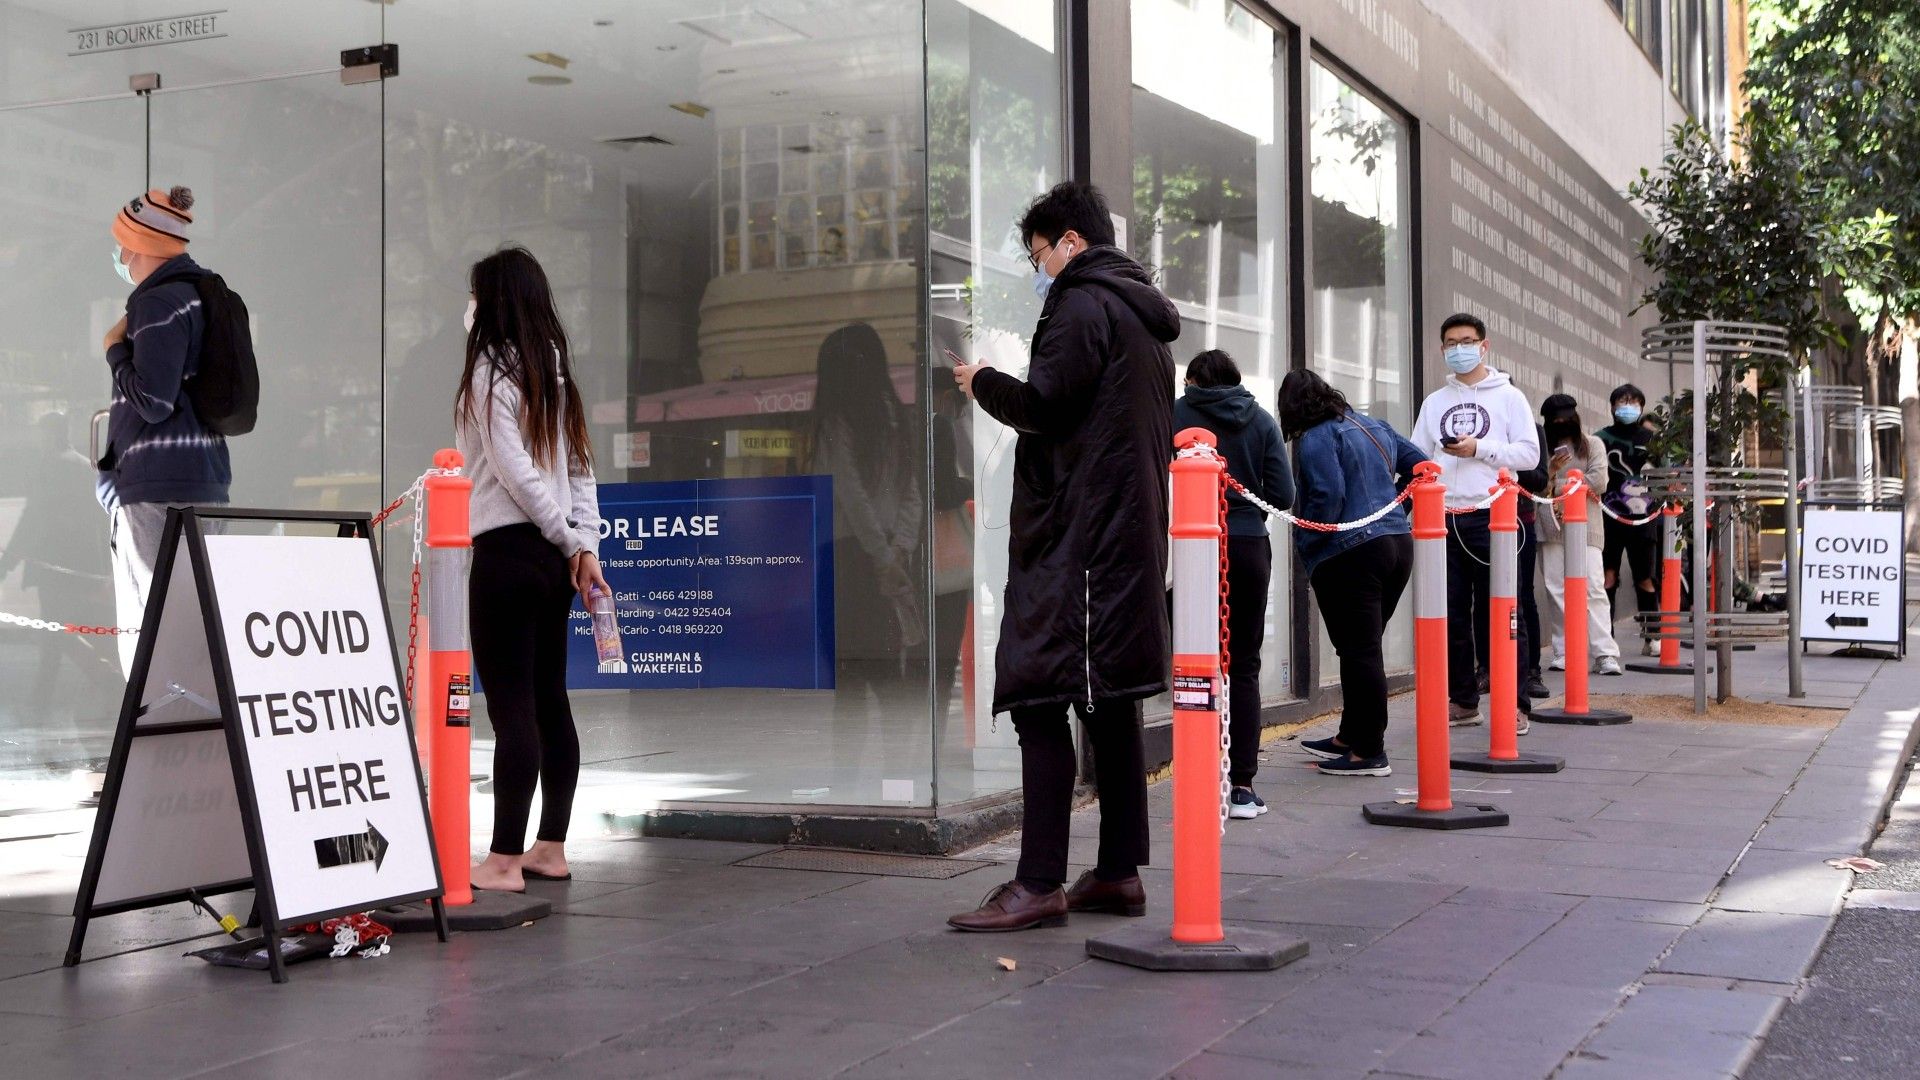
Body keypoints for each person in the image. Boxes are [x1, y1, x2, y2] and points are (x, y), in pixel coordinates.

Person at [947, 181, 1176, 931]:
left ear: (1071, 242)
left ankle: (1039, 880)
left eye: (1039, 253)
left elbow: (1046, 406)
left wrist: (982, 381)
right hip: (1121, 537)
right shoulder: (1140, 315)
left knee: (1039, 693)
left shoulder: (1082, 303)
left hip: (1076, 539)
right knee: (1110, 704)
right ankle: (1117, 872)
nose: (1037, 267)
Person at [456, 246, 605, 893]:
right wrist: (581, 545)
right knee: (550, 702)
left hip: (508, 553)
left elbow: (512, 470)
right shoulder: (554, 373)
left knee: (512, 710)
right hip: (552, 562)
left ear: (492, 302)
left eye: (474, 295)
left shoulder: (490, 371)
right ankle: (551, 848)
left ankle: (502, 860)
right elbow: (580, 469)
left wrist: (567, 537)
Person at [96, 186, 231, 672]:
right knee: (197, 629)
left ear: (139, 246)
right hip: (202, 478)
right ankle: (200, 738)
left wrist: (113, 349)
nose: (120, 256)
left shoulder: (158, 305)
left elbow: (152, 402)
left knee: (150, 633)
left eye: (122, 245)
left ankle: (151, 744)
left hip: (157, 485)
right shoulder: (198, 295)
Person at [1284, 371, 1425, 776]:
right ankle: (1349, 735)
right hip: (1397, 545)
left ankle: (1369, 752)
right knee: (1361, 649)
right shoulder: (1374, 424)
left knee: (1361, 652)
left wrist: (1308, 540)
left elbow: (1328, 496)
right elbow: (1422, 467)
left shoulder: (1314, 436)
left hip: (1350, 553)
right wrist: (1394, 511)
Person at [1173, 350, 1293, 816]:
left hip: (1189, 548)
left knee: (1189, 661)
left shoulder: (1178, 413)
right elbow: (1283, 495)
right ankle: (1241, 784)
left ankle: (1197, 775)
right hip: (1245, 545)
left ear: (1196, 379)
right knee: (1242, 665)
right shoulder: (1261, 420)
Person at [1411, 314, 1539, 727]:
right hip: (1445, 519)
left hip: (1495, 518)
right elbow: (1418, 457)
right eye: (1451, 343)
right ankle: (1463, 700)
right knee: (1449, 614)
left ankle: (1513, 702)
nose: (1459, 349)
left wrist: (1480, 449)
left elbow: (1529, 455)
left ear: (1484, 346)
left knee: (1501, 615)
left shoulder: (1509, 397)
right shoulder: (1435, 402)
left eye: (1467, 341)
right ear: (1443, 349)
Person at [809, 322, 925, 772]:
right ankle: (899, 773)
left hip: (848, 555)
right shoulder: (892, 414)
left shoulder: (836, 420)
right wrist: (899, 549)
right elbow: (910, 489)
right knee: (883, 669)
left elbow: (850, 496)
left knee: (854, 676)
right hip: (886, 555)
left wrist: (882, 554)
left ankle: (854, 776)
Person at [1537, 394, 1622, 675]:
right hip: (1551, 528)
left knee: (1593, 588)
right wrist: (1555, 477)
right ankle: (1564, 651)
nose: (1562, 423)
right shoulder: (1541, 448)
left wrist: (1556, 484)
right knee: (1555, 589)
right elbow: (1536, 487)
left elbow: (1599, 481)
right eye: (1556, 419)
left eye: (1566, 417)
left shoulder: (1593, 444)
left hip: (1587, 528)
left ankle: (1604, 653)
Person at [1597, 383, 1659, 653]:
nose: (1628, 406)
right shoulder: (1600, 438)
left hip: (1644, 518)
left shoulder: (1653, 440)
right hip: (1609, 516)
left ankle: (1652, 636)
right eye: (1623, 401)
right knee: (1608, 576)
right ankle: (1606, 639)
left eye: (1634, 402)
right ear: (1612, 406)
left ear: (1642, 407)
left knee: (1644, 577)